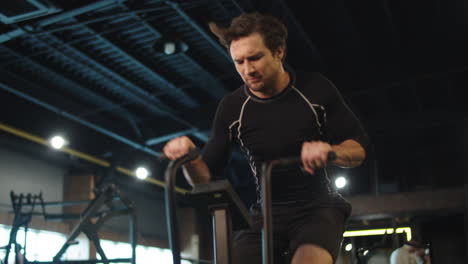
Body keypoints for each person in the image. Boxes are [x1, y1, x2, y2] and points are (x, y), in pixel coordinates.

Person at [163, 12, 369, 264]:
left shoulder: (315, 89)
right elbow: (204, 177)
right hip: (267, 215)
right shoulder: (232, 107)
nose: (247, 70)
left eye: (255, 58)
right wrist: (190, 158)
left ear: (279, 51)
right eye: (238, 62)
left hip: (318, 208)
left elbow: (358, 148)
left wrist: (331, 152)